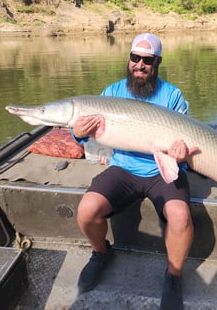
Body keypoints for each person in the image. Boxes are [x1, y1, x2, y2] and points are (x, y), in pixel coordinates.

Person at [72, 33, 196, 310]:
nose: (140, 64)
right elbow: (86, 134)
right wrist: (78, 135)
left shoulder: (173, 95)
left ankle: (173, 275)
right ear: (129, 59)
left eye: (147, 60)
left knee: (180, 216)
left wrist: (181, 153)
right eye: (135, 58)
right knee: (86, 210)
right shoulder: (110, 93)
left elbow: (186, 141)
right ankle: (101, 253)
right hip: (123, 168)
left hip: (162, 170)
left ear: (157, 63)